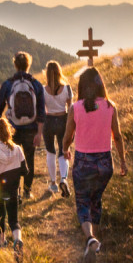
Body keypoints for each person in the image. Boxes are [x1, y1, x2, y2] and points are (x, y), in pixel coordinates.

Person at [63, 66, 127, 263]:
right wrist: (123, 161)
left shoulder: (76, 108)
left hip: (83, 162)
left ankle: (90, 238)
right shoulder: (110, 107)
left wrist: (65, 149)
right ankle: (94, 243)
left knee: (83, 202)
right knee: (96, 201)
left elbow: (68, 136)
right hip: (105, 163)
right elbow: (118, 136)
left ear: (82, 86)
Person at [0, 51, 46, 201]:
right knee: (29, 160)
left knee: (11, 162)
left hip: (12, 130)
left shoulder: (8, 84)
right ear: (29, 64)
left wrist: (0, 128)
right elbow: (41, 111)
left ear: (15, 65)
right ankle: (27, 191)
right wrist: (39, 133)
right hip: (31, 129)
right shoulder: (36, 84)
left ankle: (14, 192)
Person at [0, 118, 28, 253]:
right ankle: (17, 239)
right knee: (14, 220)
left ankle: (1, 242)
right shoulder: (17, 149)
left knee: (0, 217)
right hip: (13, 191)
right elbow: (25, 171)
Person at [43, 60, 73, 197]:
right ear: (59, 72)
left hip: (48, 121)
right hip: (63, 120)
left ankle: (53, 183)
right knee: (63, 151)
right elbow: (71, 109)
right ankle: (64, 179)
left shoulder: (43, 90)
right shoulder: (67, 89)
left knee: (50, 152)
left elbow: (41, 109)